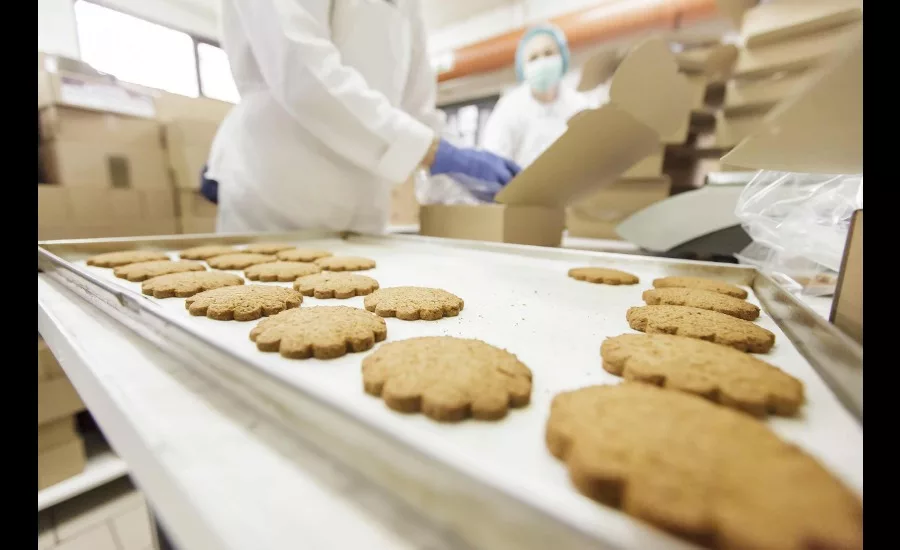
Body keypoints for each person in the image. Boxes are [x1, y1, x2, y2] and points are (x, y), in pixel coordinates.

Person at [207, 0, 520, 233]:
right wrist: (432, 151)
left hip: (362, 203)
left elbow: (416, 108)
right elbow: (303, 72)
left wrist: (456, 180)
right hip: (280, 192)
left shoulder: (407, 7)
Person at [480, 23, 595, 169]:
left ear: (562, 56)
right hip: (522, 190)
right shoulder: (509, 109)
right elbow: (493, 163)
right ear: (523, 66)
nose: (542, 61)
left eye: (548, 53)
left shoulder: (579, 106)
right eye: (533, 57)